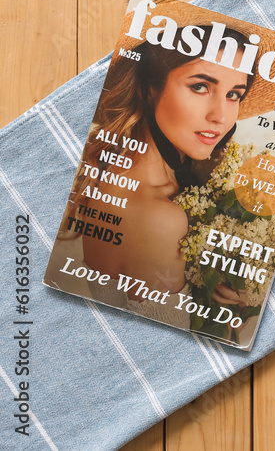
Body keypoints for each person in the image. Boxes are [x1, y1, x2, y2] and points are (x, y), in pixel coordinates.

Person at [66, 24, 256, 322]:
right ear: (150, 89)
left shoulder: (109, 171)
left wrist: (206, 279)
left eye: (234, 94)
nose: (221, 116)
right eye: (200, 86)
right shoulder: (161, 218)